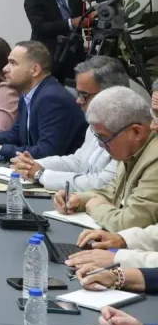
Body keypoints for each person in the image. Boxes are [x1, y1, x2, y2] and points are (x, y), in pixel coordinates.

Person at [11, 56, 127, 192]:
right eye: (78, 94)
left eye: (84, 95)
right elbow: (77, 162)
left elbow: (102, 183)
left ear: (109, 93)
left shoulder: (127, 130)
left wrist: (41, 174)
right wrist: (34, 164)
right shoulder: (94, 123)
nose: (78, 101)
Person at [53, 86, 158, 231]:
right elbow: (114, 191)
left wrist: (96, 207)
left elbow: (130, 224)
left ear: (136, 132)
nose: (101, 146)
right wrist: (79, 199)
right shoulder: (133, 150)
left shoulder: (154, 157)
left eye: (104, 138)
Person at [0, 40, 87, 159]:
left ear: (35, 70)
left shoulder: (52, 99)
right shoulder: (28, 94)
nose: (5, 68)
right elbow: (16, 134)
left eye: (13, 63)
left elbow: (47, 152)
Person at [24, 0, 85, 82]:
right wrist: (70, 23)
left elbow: (80, 18)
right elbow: (39, 27)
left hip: (75, 53)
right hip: (50, 54)